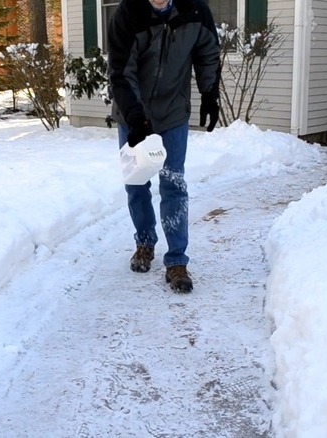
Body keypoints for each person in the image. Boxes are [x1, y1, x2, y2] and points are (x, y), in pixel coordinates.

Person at [107, 0, 220, 293]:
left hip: (172, 113)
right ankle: (144, 243)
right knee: (136, 182)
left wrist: (209, 93)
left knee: (173, 184)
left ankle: (177, 261)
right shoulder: (128, 13)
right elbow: (121, 72)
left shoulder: (195, 10)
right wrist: (135, 118)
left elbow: (207, 53)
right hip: (133, 112)